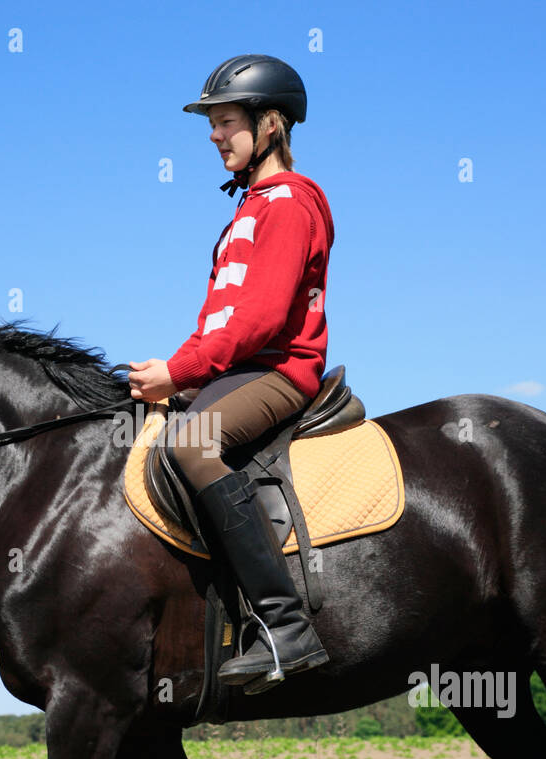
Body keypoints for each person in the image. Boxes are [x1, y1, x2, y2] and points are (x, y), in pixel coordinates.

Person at [127, 54, 335, 695]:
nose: (214, 135)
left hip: (279, 372)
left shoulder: (290, 203)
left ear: (269, 125)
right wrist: (169, 374)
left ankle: (284, 624)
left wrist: (181, 370)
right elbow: (219, 321)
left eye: (224, 122)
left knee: (190, 443)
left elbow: (264, 320)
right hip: (237, 369)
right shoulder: (251, 206)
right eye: (211, 124)